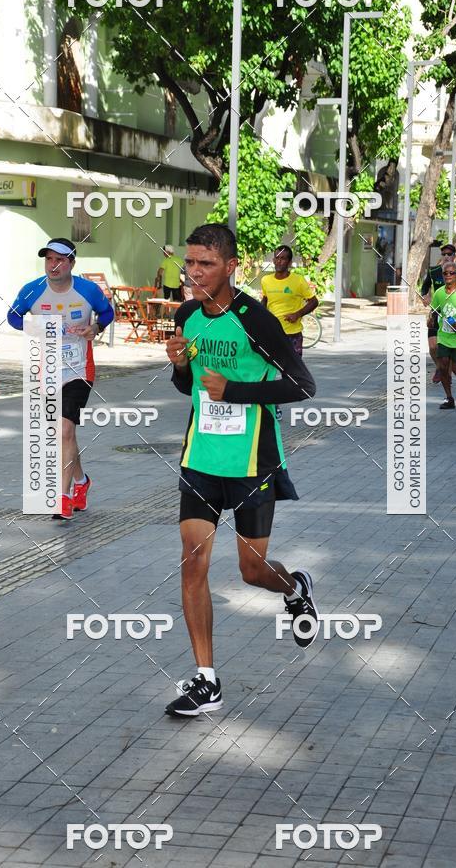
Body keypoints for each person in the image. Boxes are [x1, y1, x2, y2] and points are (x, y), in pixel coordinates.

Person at [164, 224, 318, 718]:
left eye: (205, 264)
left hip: (253, 460)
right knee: (193, 560)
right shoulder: (187, 316)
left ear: (231, 267)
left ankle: (294, 588)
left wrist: (236, 391)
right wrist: (180, 367)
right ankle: (206, 681)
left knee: (252, 572)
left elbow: (303, 386)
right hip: (201, 457)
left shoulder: (256, 320)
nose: (193, 273)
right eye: (189, 263)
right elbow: (185, 384)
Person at [7, 238, 114, 519]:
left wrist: (95, 327)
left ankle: (63, 498)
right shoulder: (32, 290)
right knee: (65, 433)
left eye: (59, 260)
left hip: (80, 370)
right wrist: (38, 326)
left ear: (72, 263)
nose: (53, 266)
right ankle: (81, 482)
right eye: (49, 260)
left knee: (65, 431)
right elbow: (13, 317)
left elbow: (107, 312)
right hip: (48, 370)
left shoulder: (88, 290)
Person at [422, 242, 456, 384]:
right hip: (437, 312)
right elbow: (424, 288)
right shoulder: (433, 271)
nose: (446, 256)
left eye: (450, 254)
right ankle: (439, 368)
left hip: (454, 316)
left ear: (455, 256)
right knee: (432, 346)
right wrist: (426, 296)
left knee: (449, 357)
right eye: (444, 254)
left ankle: (449, 375)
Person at [428, 259, 456, 409]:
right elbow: (434, 310)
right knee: (443, 366)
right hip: (444, 336)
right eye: (445, 273)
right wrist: (430, 319)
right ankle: (449, 398)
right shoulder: (439, 293)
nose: (448, 275)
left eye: (451, 273)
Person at [261, 245, 319, 358]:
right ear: (273, 260)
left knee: (293, 373)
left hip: (292, 335)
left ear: (289, 262)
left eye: (283, 258)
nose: (279, 261)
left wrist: (297, 314)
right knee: (267, 369)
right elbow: (265, 300)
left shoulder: (298, 280)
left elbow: (314, 302)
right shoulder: (265, 280)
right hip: (272, 333)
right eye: (277, 258)